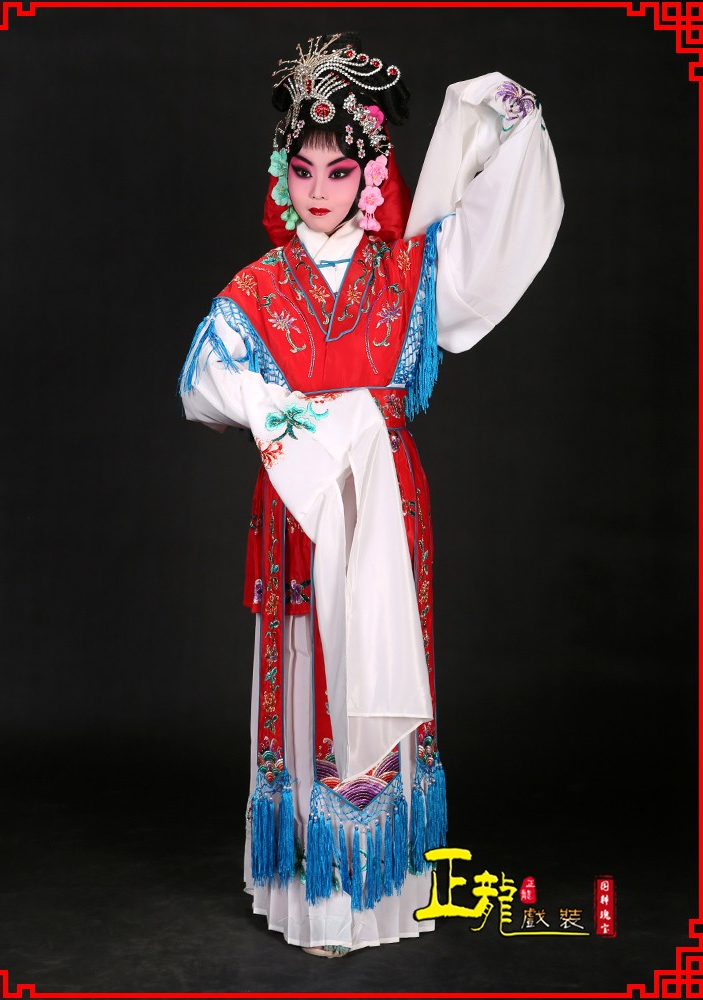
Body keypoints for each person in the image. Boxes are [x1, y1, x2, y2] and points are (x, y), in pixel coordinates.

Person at [178, 32, 563, 956]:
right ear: (284, 175)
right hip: (301, 509)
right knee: (311, 667)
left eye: (340, 170)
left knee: (377, 664)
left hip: (384, 505)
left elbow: (498, 238)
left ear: (371, 174)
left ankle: (381, 891)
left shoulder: (408, 273)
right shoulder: (258, 287)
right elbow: (203, 378)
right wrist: (304, 424)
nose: (319, 189)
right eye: (303, 169)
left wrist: (499, 114)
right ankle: (315, 895)